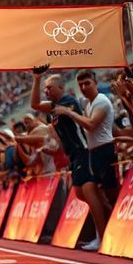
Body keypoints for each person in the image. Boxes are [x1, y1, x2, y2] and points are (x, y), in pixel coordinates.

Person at [51, 69, 117, 252]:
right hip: (94, 151)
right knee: (95, 195)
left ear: (95, 83)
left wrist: (69, 113)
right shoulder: (89, 104)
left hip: (104, 151)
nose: (84, 87)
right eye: (80, 84)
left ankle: (107, 236)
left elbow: (91, 124)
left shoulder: (101, 100)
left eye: (87, 83)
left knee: (105, 195)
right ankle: (104, 234)